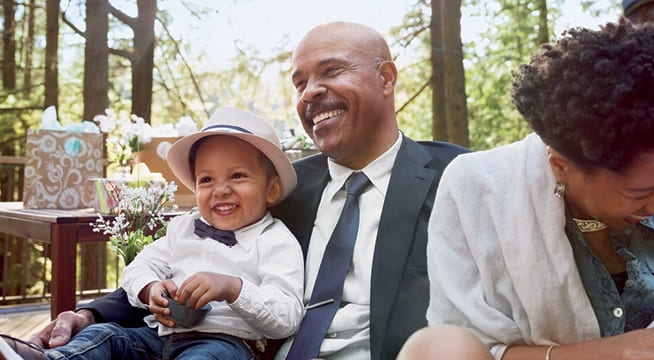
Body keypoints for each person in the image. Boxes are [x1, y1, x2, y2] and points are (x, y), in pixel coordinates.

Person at [26, 22, 468, 360]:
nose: (312, 92)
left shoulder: (457, 176)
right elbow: (184, 261)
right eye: (299, 82)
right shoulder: (280, 188)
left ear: (386, 79)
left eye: (331, 71)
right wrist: (88, 315)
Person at [409, 21, 654, 359]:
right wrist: (630, 350)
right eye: (640, 194)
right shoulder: (481, 198)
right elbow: (466, 350)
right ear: (560, 165)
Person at [4, 106, 305, 359]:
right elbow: (141, 266)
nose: (221, 190)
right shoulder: (184, 227)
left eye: (238, 176)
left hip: (226, 343)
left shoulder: (275, 241)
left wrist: (233, 288)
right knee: (104, 336)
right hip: (156, 335)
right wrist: (150, 289)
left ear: (272, 188)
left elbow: (287, 317)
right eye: (206, 179)